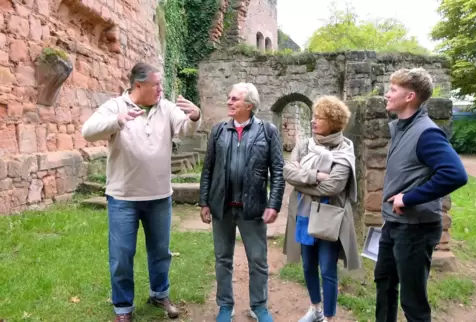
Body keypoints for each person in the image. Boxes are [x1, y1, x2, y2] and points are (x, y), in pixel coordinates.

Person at [81, 62, 202, 322]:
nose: (161, 88)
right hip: (123, 197)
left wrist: (194, 117)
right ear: (139, 85)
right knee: (122, 254)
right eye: (156, 85)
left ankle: (160, 294)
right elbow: (87, 131)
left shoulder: (166, 108)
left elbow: (184, 128)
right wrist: (116, 122)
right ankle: (123, 308)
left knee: (160, 251)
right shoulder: (116, 106)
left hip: (159, 196)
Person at [375, 68, 468, 322]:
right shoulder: (401, 128)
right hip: (393, 225)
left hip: (416, 229)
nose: (387, 94)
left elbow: (455, 174)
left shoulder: (426, 132)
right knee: (384, 284)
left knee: (413, 301)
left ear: (410, 96)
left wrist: (408, 197)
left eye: (393, 89)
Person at [199, 82, 285, 322]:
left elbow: (277, 170)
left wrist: (273, 204)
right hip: (222, 207)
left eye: (234, 99)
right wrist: (204, 202)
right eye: (229, 98)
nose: (229, 102)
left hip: (253, 208)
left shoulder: (267, 131)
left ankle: (259, 307)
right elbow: (208, 170)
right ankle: (225, 306)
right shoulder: (218, 131)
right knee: (222, 259)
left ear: (249, 104)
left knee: (258, 260)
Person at [283, 96, 361, 322]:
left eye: (319, 118)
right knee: (308, 266)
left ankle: (328, 317)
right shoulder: (305, 144)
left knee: (327, 269)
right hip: (304, 215)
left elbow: (334, 186)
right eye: (314, 116)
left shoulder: (345, 148)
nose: (313, 121)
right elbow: (288, 172)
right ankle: (315, 309)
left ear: (334, 122)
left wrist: (302, 181)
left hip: (330, 217)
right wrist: (315, 175)